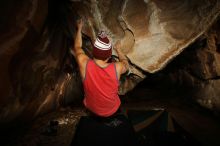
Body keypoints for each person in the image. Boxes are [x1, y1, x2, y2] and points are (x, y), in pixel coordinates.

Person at [71, 19, 138, 146]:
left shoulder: (83, 63)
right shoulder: (116, 67)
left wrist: (79, 28)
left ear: (94, 52)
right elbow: (126, 65)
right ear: (109, 56)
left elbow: (77, 47)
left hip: (92, 109)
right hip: (112, 110)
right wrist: (119, 51)